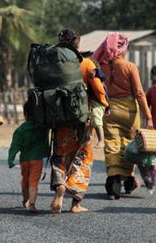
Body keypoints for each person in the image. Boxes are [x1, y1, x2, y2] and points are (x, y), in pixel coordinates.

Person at [50, 29, 108, 213]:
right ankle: (75, 203)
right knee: (82, 157)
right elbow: (98, 89)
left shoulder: (53, 64)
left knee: (60, 154)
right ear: (77, 44)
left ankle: (59, 184)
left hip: (60, 119)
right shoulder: (87, 64)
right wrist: (105, 105)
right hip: (83, 120)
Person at [92, 32, 153, 200]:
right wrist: (148, 116)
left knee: (112, 145)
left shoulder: (101, 66)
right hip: (129, 113)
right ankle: (128, 182)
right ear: (123, 49)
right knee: (128, 145)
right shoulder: (129, 66)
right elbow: (139, 93)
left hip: (109, 110)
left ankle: (113, 185)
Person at [7, 101, 50, 213]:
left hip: (24, 160)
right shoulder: (43, 127)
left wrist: (11, 159)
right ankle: (32, 204)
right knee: (33, 182)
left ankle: (25, 199)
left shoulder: (21, 129)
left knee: (25, 181)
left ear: (25, 113)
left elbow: (14, 145)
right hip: (37, 160)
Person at [81, 51, 110, 149]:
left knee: (96, 120)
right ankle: (88, 137)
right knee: (89, 121)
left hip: (98, 102)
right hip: (94, 102)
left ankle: (101, 140)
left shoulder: (98, 74)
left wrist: (95, 71)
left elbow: (102, 75)